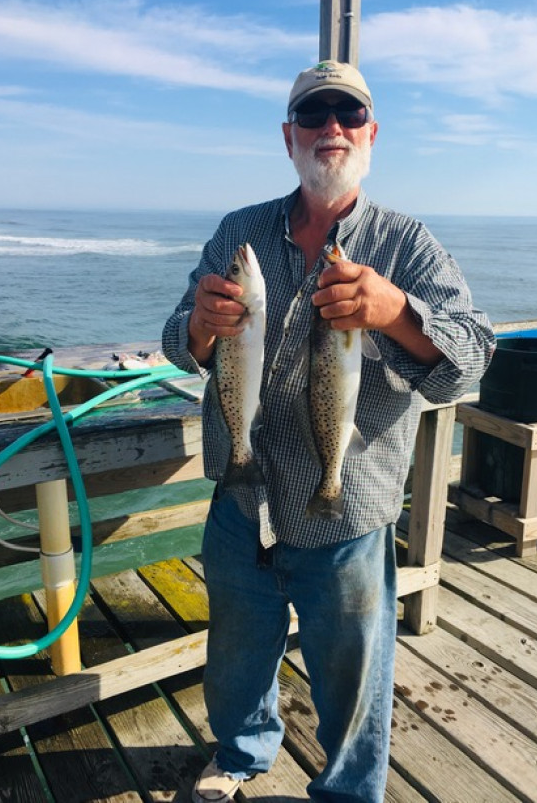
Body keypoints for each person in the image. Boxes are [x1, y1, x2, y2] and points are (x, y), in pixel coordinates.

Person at [162, 60, 495, 803]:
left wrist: (398, 314)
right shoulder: (238, 232)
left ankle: (348, 790)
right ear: (289, 137)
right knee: (237, 651)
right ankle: (242, 751)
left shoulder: (408, 244)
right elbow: (176, 340)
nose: (331, 129)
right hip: (241, 498)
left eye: (348, 115)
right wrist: (199, 326)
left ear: (371, 134)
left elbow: (471, 360)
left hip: (346, 509)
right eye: (314, 116)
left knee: (352, 670)